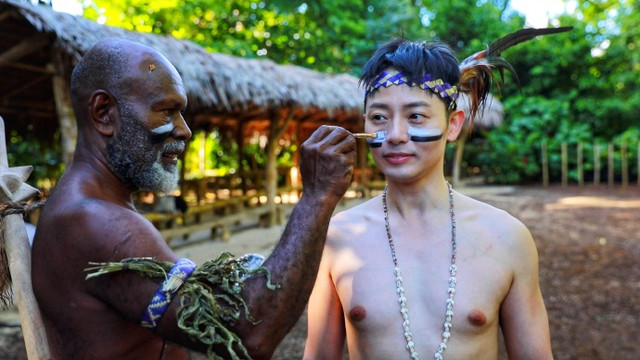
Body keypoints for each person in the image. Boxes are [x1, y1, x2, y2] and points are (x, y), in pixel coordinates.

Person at [31, 38, 356, 360]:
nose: (184, 130)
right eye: (166, 111)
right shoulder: (96, 223)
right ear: (104, 113)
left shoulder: (91, 210)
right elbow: (249, 335)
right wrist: (316, 196)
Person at [304, 38, 553, 359]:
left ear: (452, 125)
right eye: (379, 117)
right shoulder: (337, 238)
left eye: (416, 116)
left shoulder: (507, 238)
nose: (395, 135)